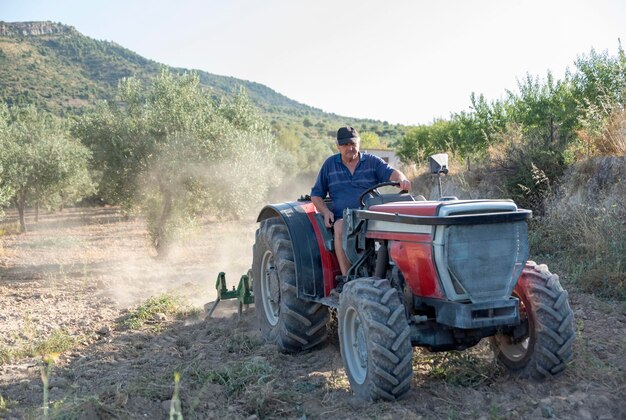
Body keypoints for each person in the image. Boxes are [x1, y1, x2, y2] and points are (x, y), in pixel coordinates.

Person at [310, 126, 411, 276]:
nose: (350, 148)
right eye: (345, 145)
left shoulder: (372, 161)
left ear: (359, 143)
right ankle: (347, 279)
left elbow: (392, 173)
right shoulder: (329, 165)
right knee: (339, 226)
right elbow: (316, 195)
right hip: (344, 217)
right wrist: (325, 212)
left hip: (370, 214)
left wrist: (402, 179)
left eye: (353, 144)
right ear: (338, 146)